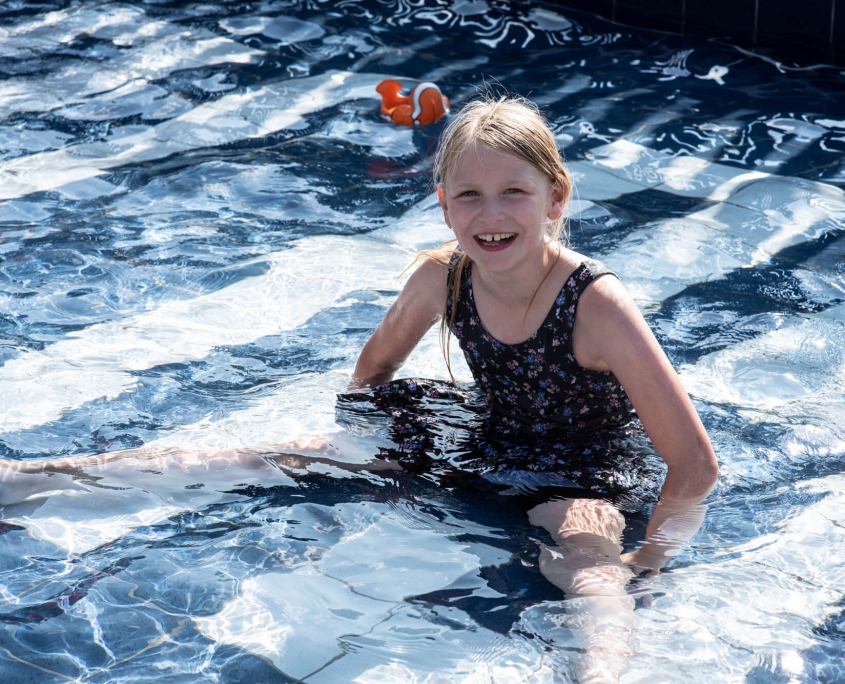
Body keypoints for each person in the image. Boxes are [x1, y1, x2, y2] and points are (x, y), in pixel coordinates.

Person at [351, 95, 718, 682]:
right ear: (444, 205)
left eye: (513, 193)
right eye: (469, 195)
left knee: (586, 568)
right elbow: (370, 377)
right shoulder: (443, 276)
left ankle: (599, 674)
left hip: (581, 476)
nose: (490, 215)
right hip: (482, 446)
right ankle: (149, 474)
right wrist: (374, 451)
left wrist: (652, 557)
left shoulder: (596, 304)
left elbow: (695, 465)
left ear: (556, 197)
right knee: (282, 455)